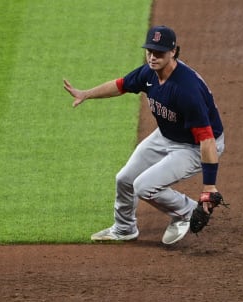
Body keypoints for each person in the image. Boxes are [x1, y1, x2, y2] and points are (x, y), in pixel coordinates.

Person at [63, 25, 225, 245]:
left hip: (195, 146)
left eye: (159, 52)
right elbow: (121, 85)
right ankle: (124, 228)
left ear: (174, 52)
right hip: (167, 133)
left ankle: (185, 211)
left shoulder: (186, 90)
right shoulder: (149, 73)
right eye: (149, 51)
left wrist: (208, 186)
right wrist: (86, 94)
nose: (152, 57)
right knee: (125, 179)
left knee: (144, 187)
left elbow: (206, 138)